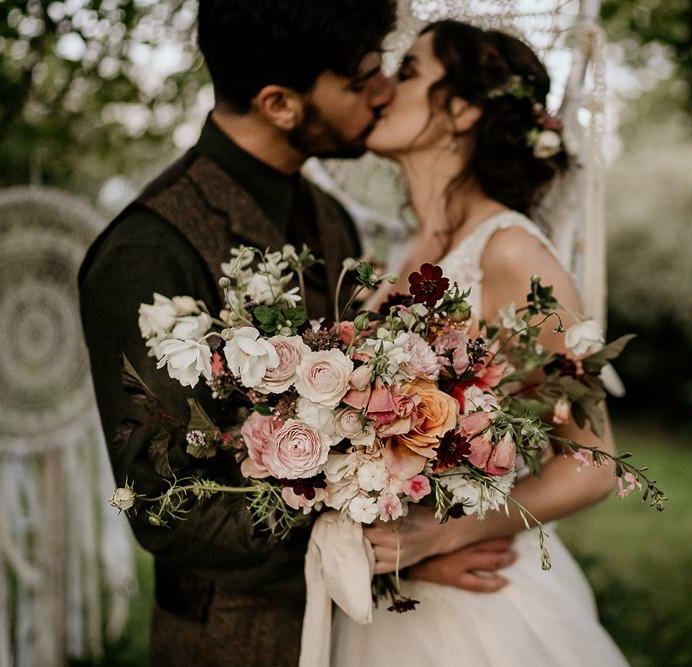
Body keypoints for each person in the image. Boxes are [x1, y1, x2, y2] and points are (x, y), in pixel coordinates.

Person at [79, 4, 514, 665]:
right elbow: (173, 506)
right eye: (359, 79)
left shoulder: (330, 217)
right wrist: (390, 560)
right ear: (279, 103)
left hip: (362, 633)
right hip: (240, 639)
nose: (381, 93)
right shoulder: (149, 251)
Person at [332, 21, 629, 665]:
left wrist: (443, 535)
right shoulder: (397, 256)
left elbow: (593, 459)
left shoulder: (511, 253)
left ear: (462, 109)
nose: (382, 89)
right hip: (382, 596)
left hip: (475, 612)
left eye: (408, 72)